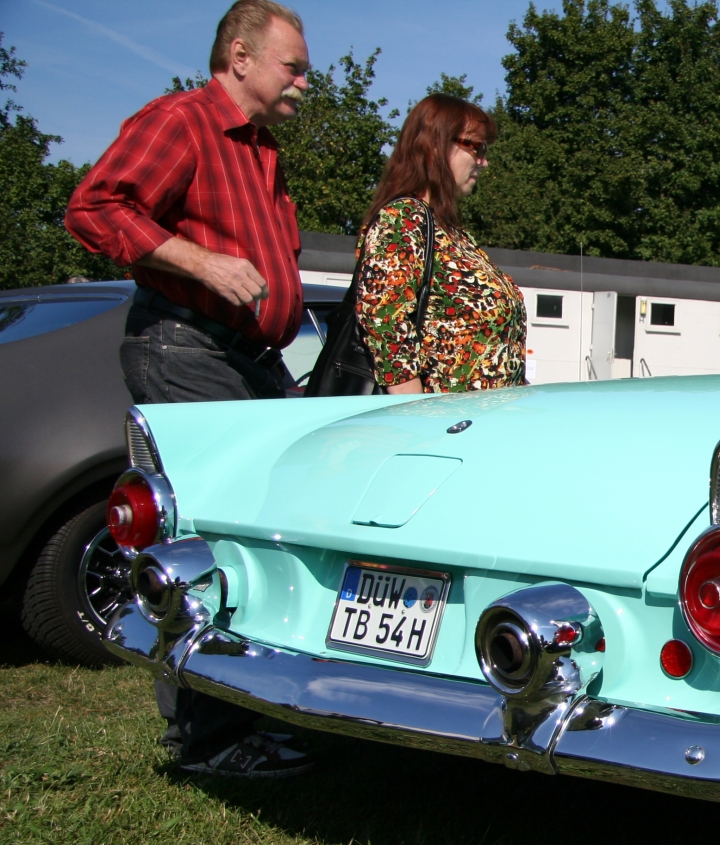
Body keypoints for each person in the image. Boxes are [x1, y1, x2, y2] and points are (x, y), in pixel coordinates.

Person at [64, 0, 314, 779]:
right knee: (202, 540)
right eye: (293, 67)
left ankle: (257, 710)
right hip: (186, 345)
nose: (305, 83)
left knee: (266, 530)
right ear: (239, 57)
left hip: (247, 358)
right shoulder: (183, 120)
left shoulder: (260, 150)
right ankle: (207, 739)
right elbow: (94, 206)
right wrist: (202, 263)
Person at [355, 95, 525, 393]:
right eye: (476, 147)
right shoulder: (403, 219)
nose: (484, 162)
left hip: (485, 423)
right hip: (443, 427)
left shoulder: (451, 232)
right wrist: (421, 422)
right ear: (434, 145)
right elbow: (385, 324)